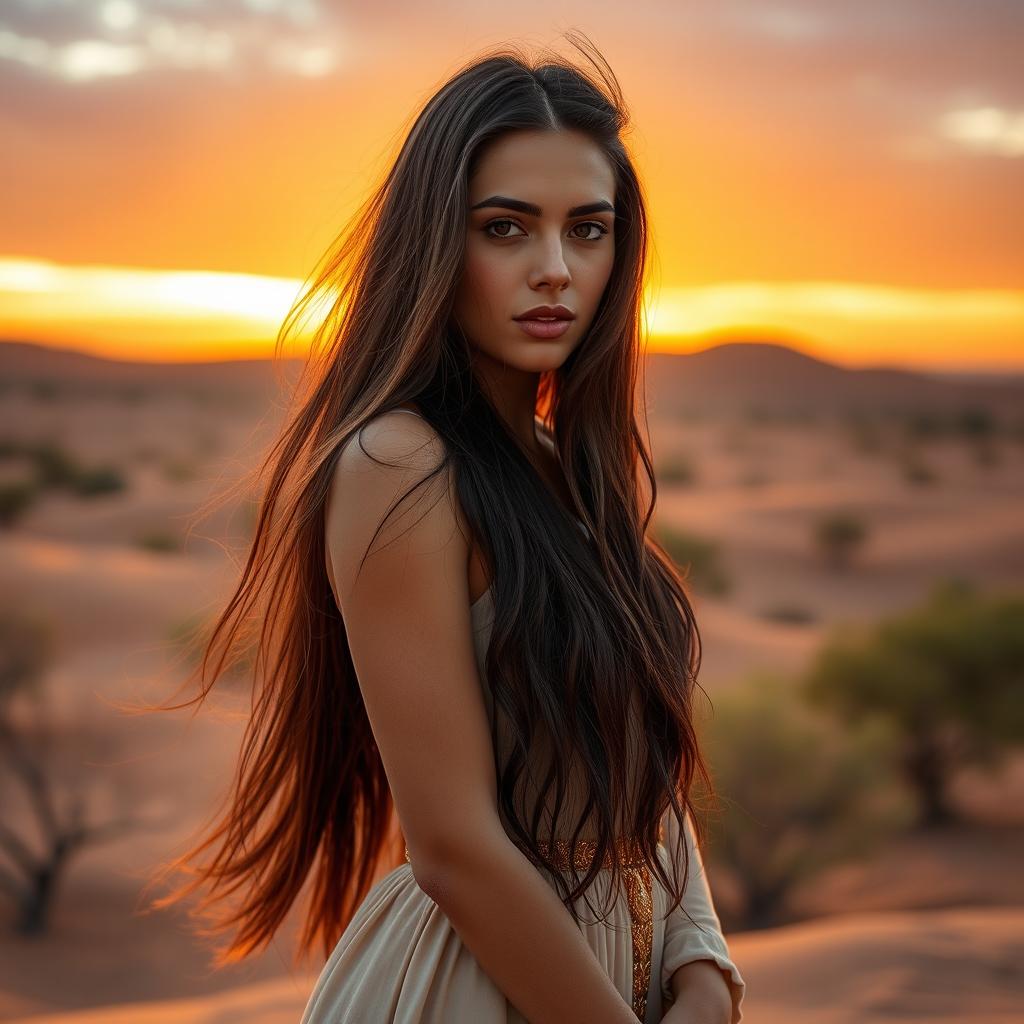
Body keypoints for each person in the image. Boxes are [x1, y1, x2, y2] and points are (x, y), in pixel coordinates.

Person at [147, 31, 745, 1024]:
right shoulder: (400, 464)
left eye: (586, 230)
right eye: (505, 228)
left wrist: (701, 967)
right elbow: (456, 849)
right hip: (469, 986)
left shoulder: (565, 470)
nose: (554, 269)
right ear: (437, 240)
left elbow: (643, 786)